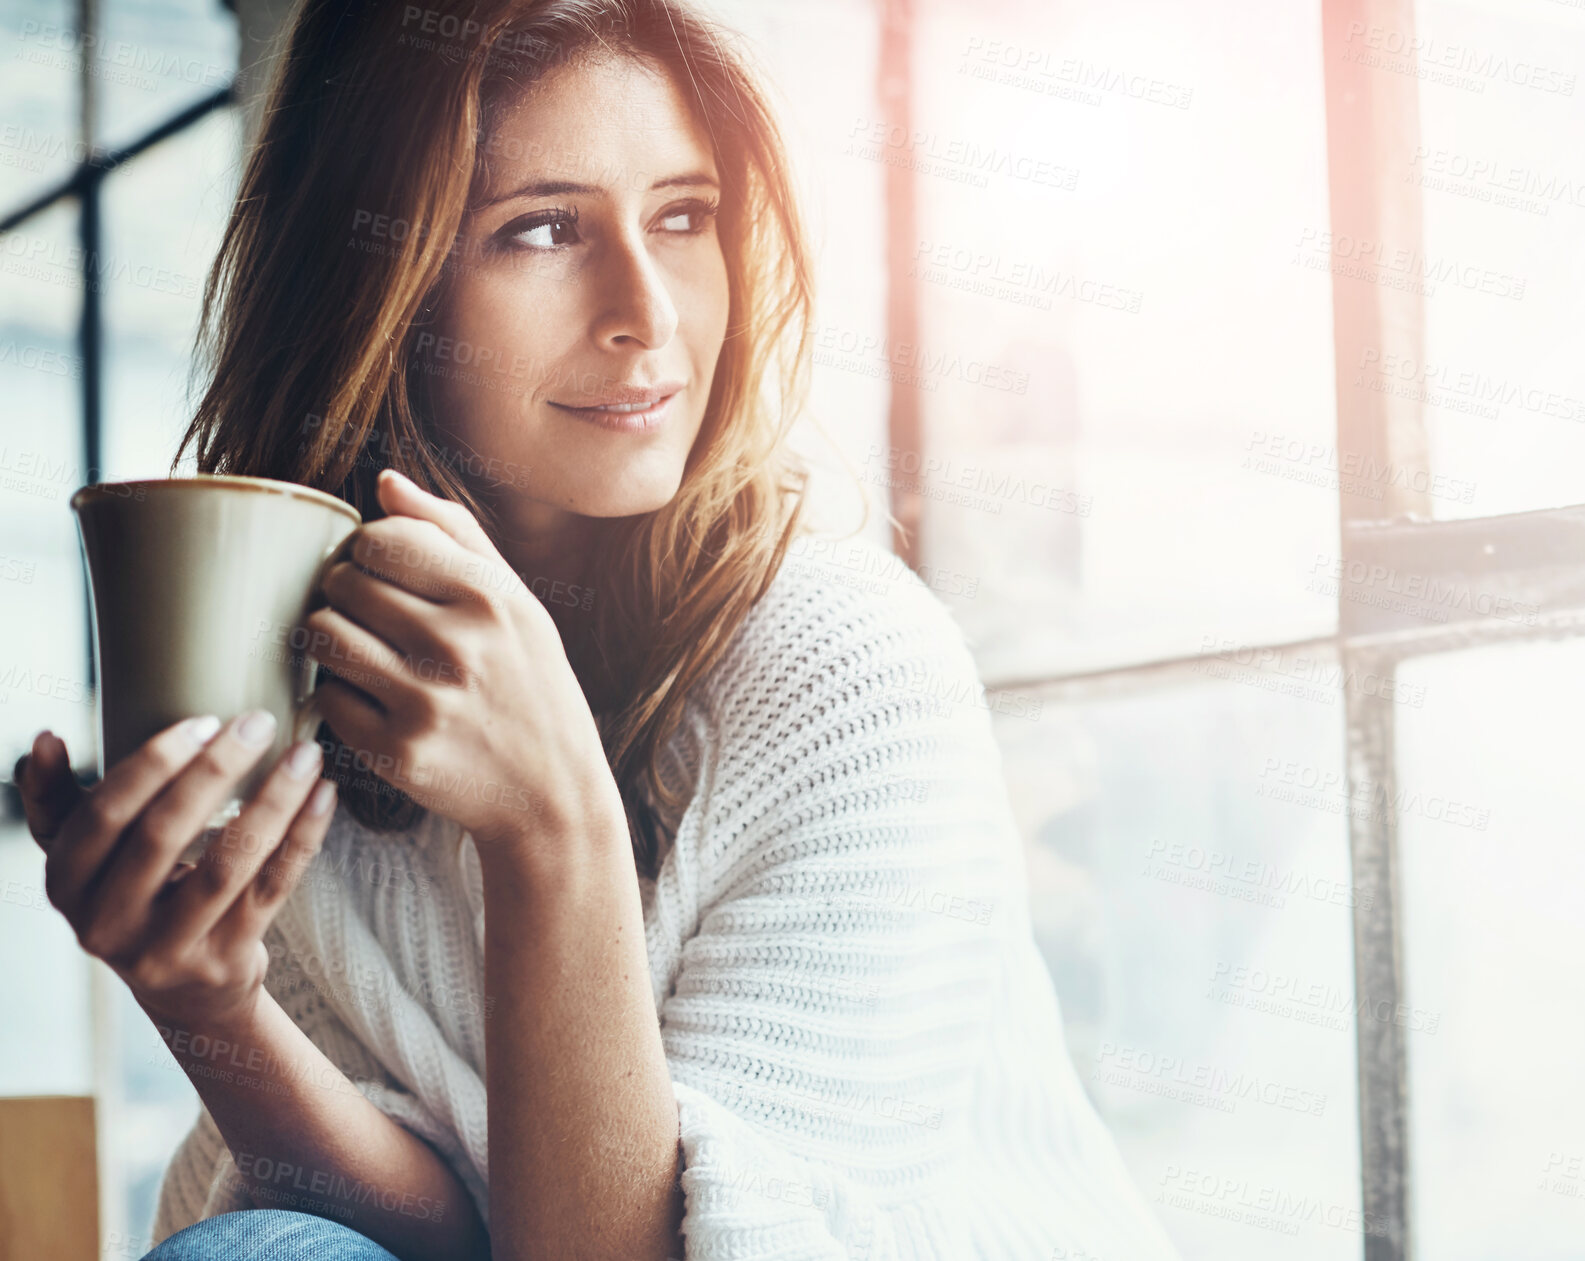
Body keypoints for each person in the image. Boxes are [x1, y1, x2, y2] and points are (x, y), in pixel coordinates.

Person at [15, 1, 1184, 1257]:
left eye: (684, 215)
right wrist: (210, 1003)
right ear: (378, 290)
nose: (647, 311)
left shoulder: (852, 671)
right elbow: (459, 1228)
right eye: (541, 230)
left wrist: (552, 820)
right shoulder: (321, 668)